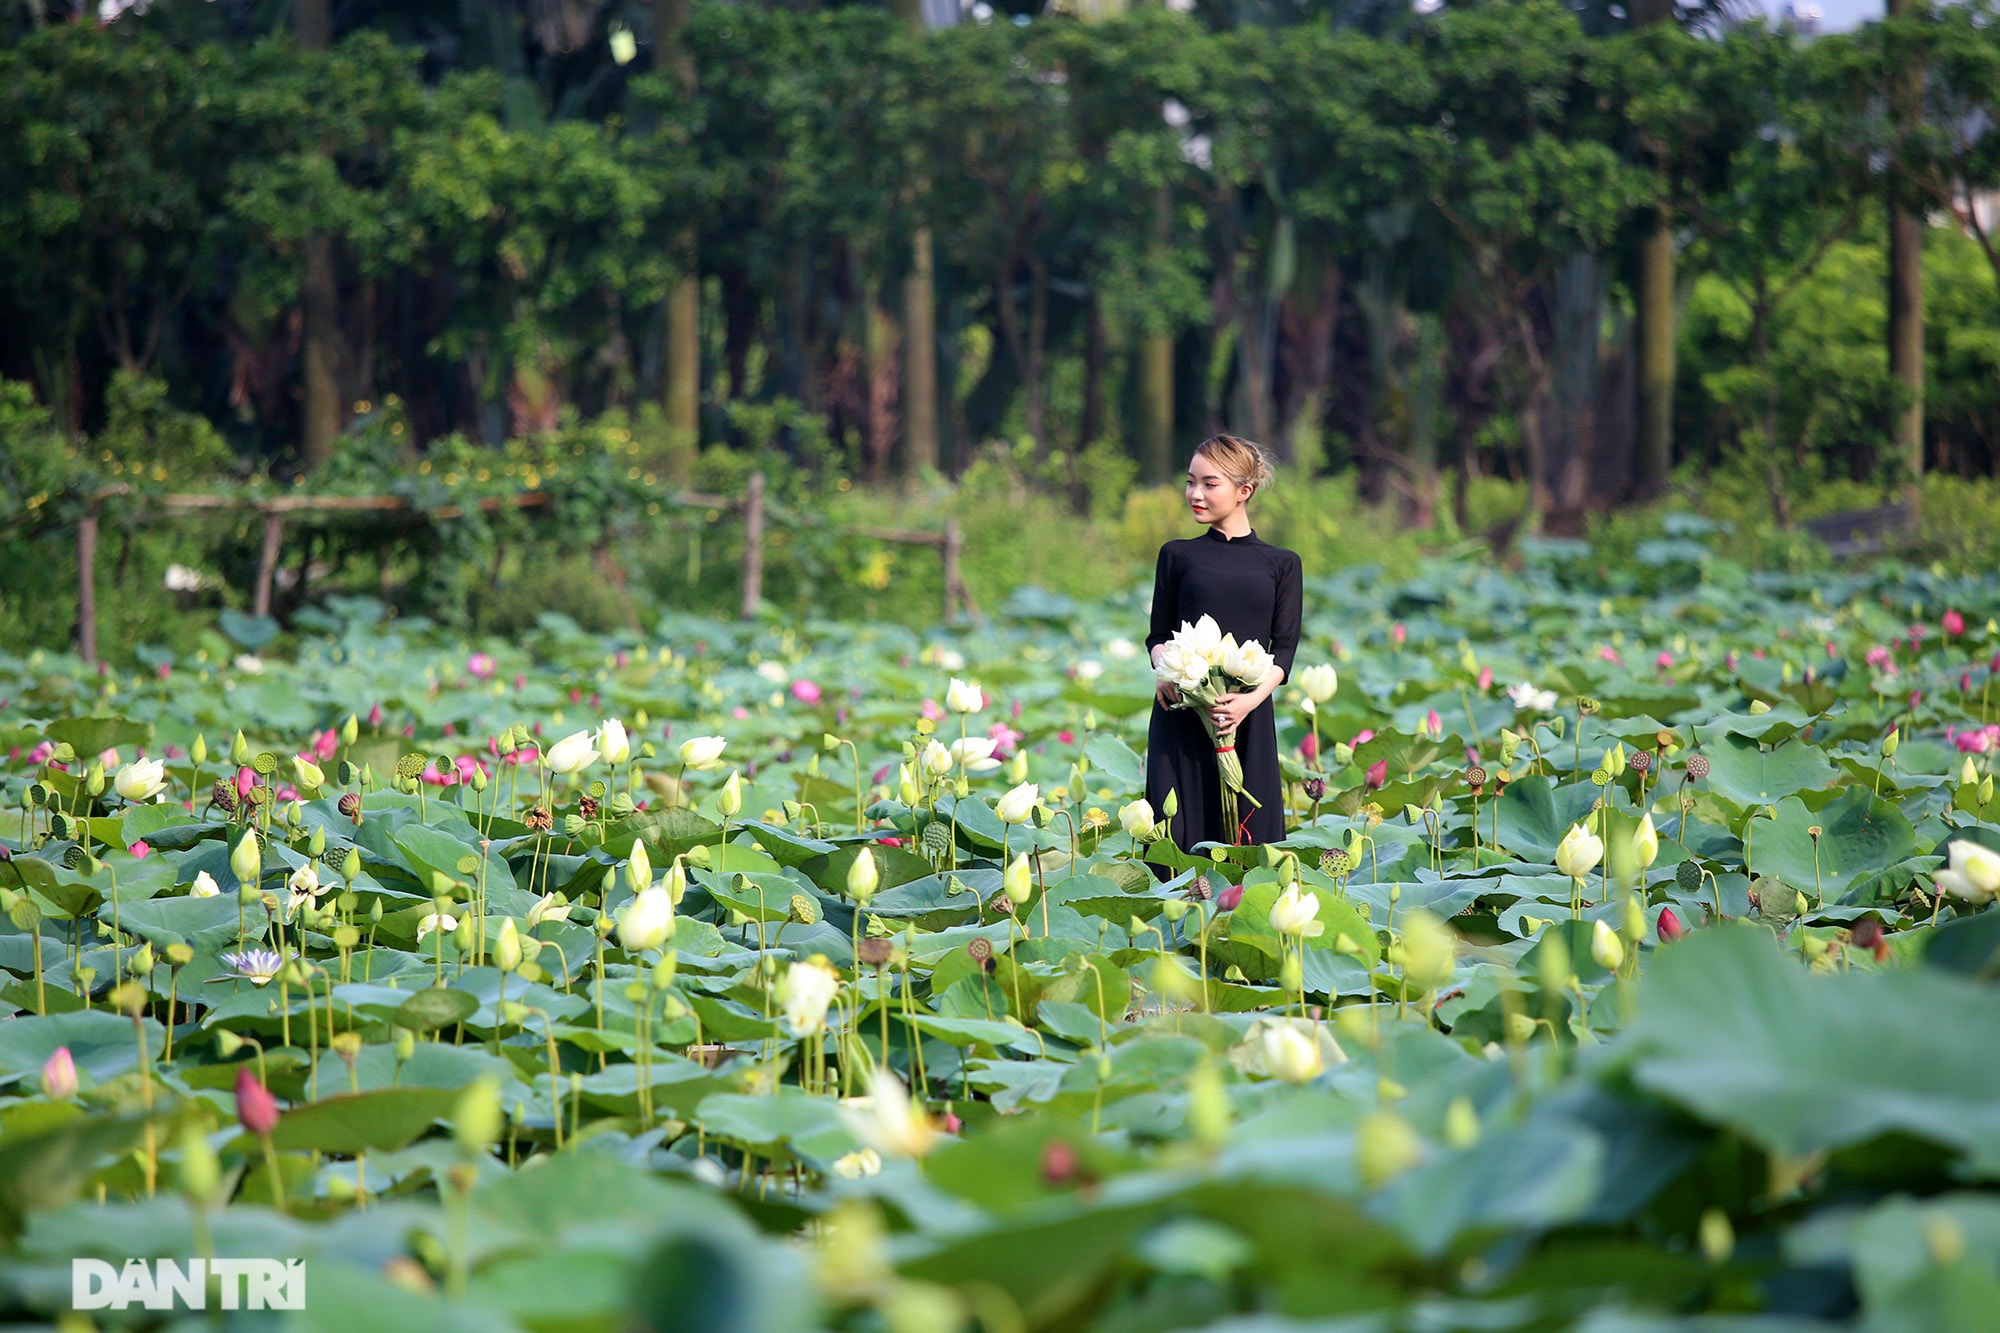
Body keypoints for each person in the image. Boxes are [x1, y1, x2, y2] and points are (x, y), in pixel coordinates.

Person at [1145, 434, 1302, 849]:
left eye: (1209, 484)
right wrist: (1165, 671)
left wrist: (1248, 702)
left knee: (1247, 839)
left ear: (1244, 491)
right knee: (1174, 837)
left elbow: (1283, 650)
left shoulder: (1282, 564)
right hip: (1181, 710)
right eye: (1190, 482)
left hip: (1245, 715)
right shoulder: (1177, 555)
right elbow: (1158, 635)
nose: (1195, 494)